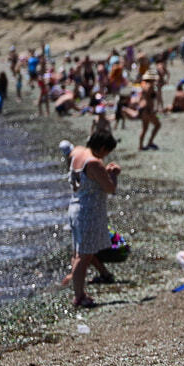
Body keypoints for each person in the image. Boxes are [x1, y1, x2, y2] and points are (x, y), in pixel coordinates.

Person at [67, 131, 120, 307]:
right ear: (103, 148)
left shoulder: (77, 152)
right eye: (107, 152)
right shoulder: (94, 163)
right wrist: (113, 174)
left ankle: (79, 291)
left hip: (75, 205)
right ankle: (79, 296)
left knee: (79, 252)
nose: (106, 156)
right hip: (88, 212)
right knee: (84, 255)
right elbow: (109, 188)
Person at [138, 70, 162, 150]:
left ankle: (141, 145)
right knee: (157, 125)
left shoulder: (144, 85)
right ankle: (150, 142)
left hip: (144, 110)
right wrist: (151, 110)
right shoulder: (149, 87)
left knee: (145, 128)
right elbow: (148, 99)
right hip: (148, 110)